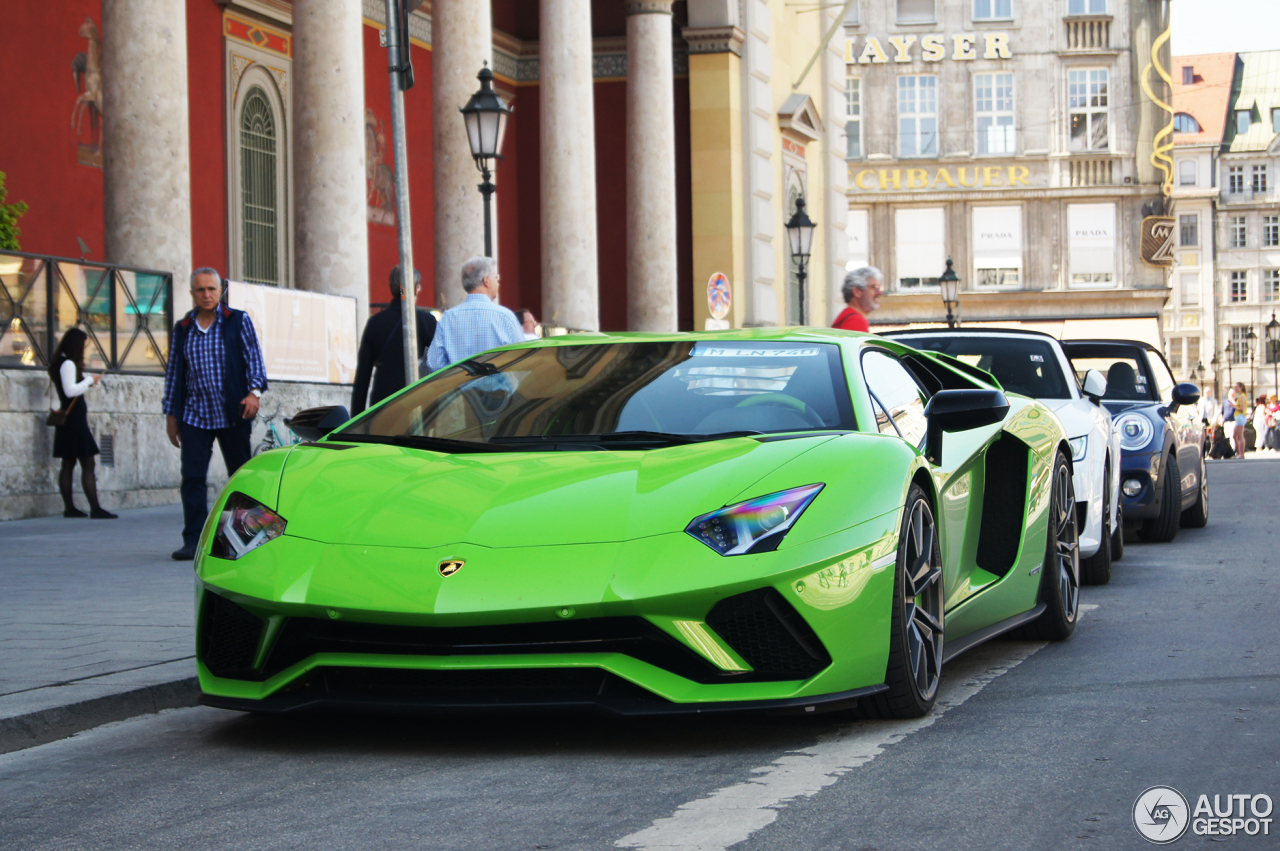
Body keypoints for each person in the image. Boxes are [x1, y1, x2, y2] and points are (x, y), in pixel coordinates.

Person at [162, 268, 268, 560]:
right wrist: (171, 416)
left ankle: (245, 538)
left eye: (211, 289)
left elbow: (254, 362)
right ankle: (193, 539)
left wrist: (254, 393)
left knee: (241, 476)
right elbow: (174, 374)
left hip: (232, 412)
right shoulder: (184, 327)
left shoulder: (237, 321)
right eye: (200, 290)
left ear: (220, 290)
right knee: (193, 477)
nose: (206, 295)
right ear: (192, 293)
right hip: (195, 415)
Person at [48, 328, 116, 519]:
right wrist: (88, 381)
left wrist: (89, 380)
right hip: (74, 421)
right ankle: (95, 508)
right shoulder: (68, 363)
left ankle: (70, 508)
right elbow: (70, 391)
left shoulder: (60, 362)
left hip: (68, 420)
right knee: (87, 462)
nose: (84, 351)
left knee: (68, 463)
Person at [351, 266, 437, 415]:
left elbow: (362, 378)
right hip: (416, 402)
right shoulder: (426, 321)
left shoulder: (375, 322)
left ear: (391, 288)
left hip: (382, 402)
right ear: (416, 289)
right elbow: (439, 365)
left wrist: (355, 419)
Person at [424, 256, 524, 372]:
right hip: (500, 389)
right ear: (486, 281)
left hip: (460, 389)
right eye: (496, 278)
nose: (498, 283)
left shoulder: (448, 318)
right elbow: (522, 359)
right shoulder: (505, 317)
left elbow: (435, 364)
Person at [832, 266, 883, 332]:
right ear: (857, 292)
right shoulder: (855, 321)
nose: (879, 293)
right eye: (873, 288)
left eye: (878, 288)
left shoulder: (849, 318)